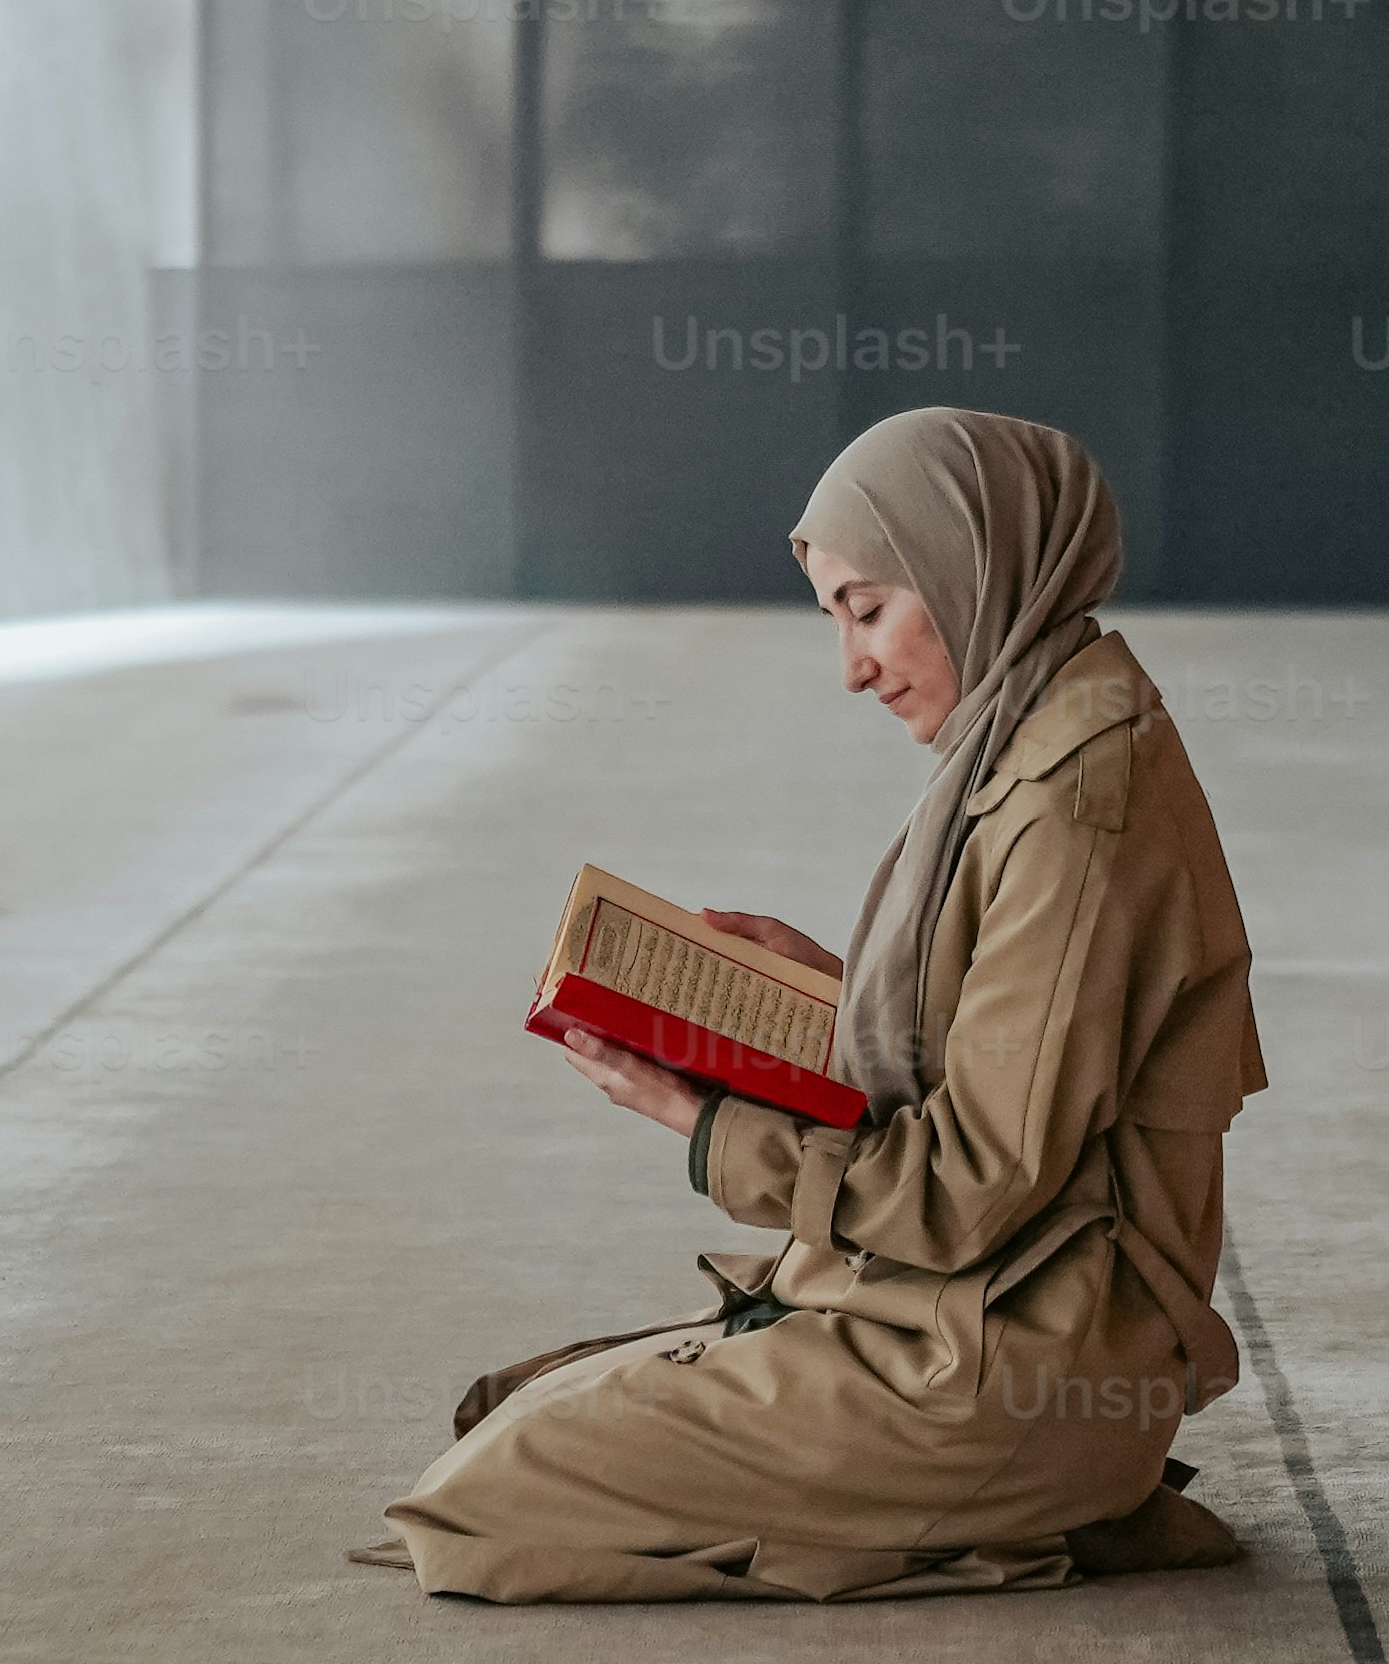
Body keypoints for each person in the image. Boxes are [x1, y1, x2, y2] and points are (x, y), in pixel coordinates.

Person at [367, 407, 1268, 1603]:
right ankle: (986, 1499)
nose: (853, 667)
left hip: (999, 1370)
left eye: (868, 609)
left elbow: (967, 1189)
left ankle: (1007, 1509)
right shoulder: (1036, 728)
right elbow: (1024, 1049)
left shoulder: (1070, 803)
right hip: (963, 1316)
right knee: (512, 1407)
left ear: (973, 565)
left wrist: (701, 1121)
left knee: (484, 1496)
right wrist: (825, 990)